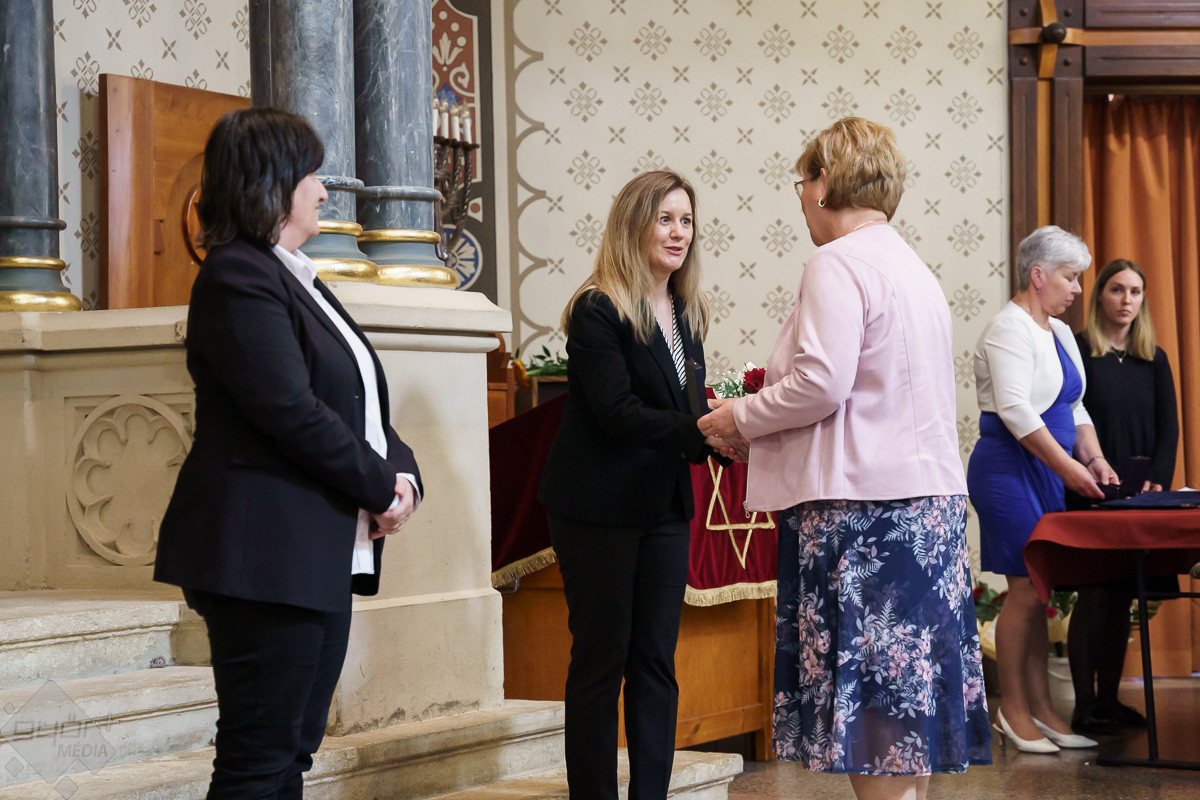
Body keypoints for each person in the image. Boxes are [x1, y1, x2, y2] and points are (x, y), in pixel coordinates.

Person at [699, 117, 990, 800]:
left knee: (874, 714)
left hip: (863, 515)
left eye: (802, 183)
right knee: (904, 706)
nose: (801, 199)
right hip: (927, 509)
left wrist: (739, 416)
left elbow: (820, 384)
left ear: (824, 181)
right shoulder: (912, 266)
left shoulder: (837, 262)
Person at [154, 107, 422, 798]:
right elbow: (290, 411)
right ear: (271, 182)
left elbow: (358, 398)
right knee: (258, 758)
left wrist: (403, 478)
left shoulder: (293, 274)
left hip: (312, 550)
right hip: (263, 554)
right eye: (311, 175)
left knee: (291, 753)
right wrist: (378, 488)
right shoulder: (236, 276)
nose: (324, 191)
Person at [537, 170, 730, 800]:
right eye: (664, 219)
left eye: (686, 221)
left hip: (664, 507)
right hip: (598, 509)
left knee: (655, 663)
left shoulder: (688, 311)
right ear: (633, 224)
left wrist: (728, 432)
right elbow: (616, 412)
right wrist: (703, 431)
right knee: (601, 662)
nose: (678, 233)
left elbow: (686, 407)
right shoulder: (598, 308)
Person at [966, 225, 1118, 754]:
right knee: (1027, 589)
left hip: (1048, 469)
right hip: (1008, 469)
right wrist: (1068, 468)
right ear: (1037, 275)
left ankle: (1043, 710)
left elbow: (1074, 406)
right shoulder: (1008, 328)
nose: (1077, 289)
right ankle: (1012, 710)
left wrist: (1093, 459)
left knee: (1038, 590)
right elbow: (1014, 410)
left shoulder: (1059, 332)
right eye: (1069, 277)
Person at [1066, 258, 1179, 734]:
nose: (1126, 300)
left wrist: (1158, 478)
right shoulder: (1078, 350)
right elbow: (1068, 414)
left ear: (1143, 300)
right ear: (1100, 297)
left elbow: (1169, 427)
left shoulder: (1154, 358)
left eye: (1135, 291)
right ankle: (1083, 707)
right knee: (1093, 594)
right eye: (1117, 289)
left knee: (1121, 597)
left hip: (1139, 494)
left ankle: (1109, 701)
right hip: (1089, 487)